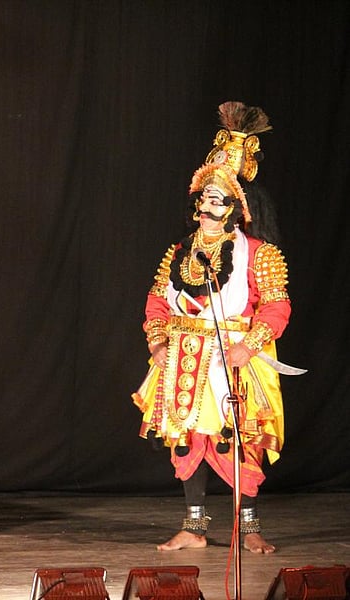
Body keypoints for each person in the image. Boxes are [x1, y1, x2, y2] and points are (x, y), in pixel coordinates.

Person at [132, 103, 291, 555]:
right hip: (184, 355)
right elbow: (157, 299)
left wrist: (250, 345)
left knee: (240, 439)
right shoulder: (179, 251)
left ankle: (248, 526)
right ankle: (194, 527)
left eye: (216, 199)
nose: (205, 205)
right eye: (202, 198)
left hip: (236, 355)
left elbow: (277, 307)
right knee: (187, 439)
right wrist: (158, 340)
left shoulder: (259, 254)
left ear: (236, 210)